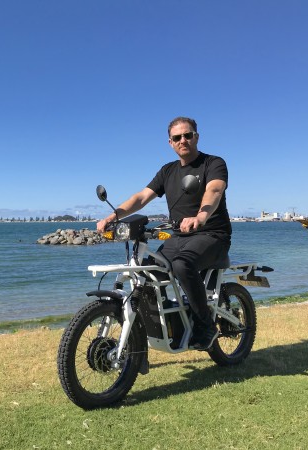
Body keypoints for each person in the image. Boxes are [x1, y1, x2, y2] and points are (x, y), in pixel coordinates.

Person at [96, 117, 232, 350]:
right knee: (146, 271)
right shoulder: (168, 171)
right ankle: (168, 322)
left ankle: (205, 325)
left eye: (187, 135)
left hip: (212, 234)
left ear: (196, 137)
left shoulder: (213, 163)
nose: (183, 140)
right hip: (179, 236)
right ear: (170, 142)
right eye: (177, 137)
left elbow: (215, 190)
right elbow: (141, 198)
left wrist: (200, 217)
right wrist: (113, 216)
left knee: (182, 265)